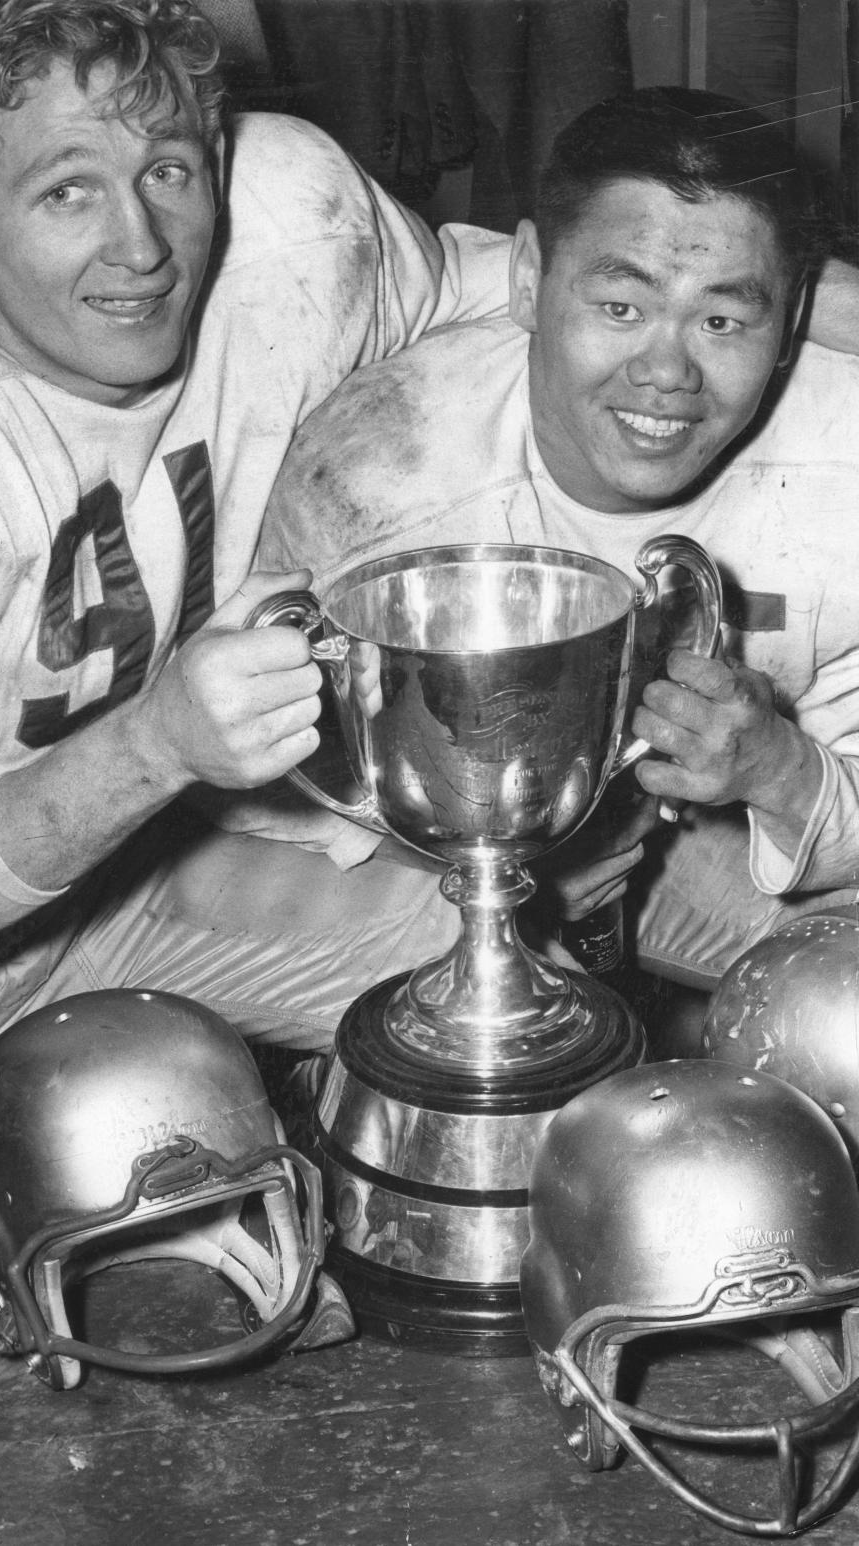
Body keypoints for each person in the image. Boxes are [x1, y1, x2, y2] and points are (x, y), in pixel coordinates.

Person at [0, 0, 523, 1151]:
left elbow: (544, 292)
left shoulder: (281, 215)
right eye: (66, 191)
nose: (141, 246)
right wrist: (160, 745)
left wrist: (793, 295)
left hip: (130, 885)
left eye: (169, 171)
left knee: (496, 974)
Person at [257, 86, 859, 1024]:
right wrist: (444, 863)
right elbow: (269, 791)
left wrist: (777, 770)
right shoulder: (377, 475)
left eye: (723, 322)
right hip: (431, 866)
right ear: (529, 277)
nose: (668, 371)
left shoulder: (846, 460)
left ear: (793, 322)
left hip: (734, 845)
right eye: (621, 305)